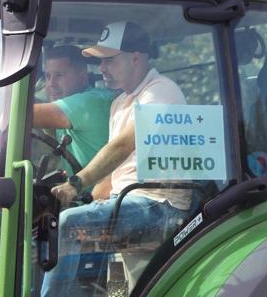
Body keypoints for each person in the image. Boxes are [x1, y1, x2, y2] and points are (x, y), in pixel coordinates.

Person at [41, 21, 192, 297]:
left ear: (135, 57)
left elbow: (123, 146)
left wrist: (76, 182)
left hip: (160, 206)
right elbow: (114, 174)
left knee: (68, 225)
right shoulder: (119, 103)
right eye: (99, 62)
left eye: (109, 61)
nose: (101, 69)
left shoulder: (160, 91)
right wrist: (82, 199)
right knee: (59, 223)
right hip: (127, 201)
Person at [32, 45, 114, 184]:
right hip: (78, 196)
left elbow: (22, 115)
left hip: (102, 200)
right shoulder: (64, 105)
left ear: (82, 77)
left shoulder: (91, 101)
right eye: (47, 76)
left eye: (59, 75)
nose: (51, 83)